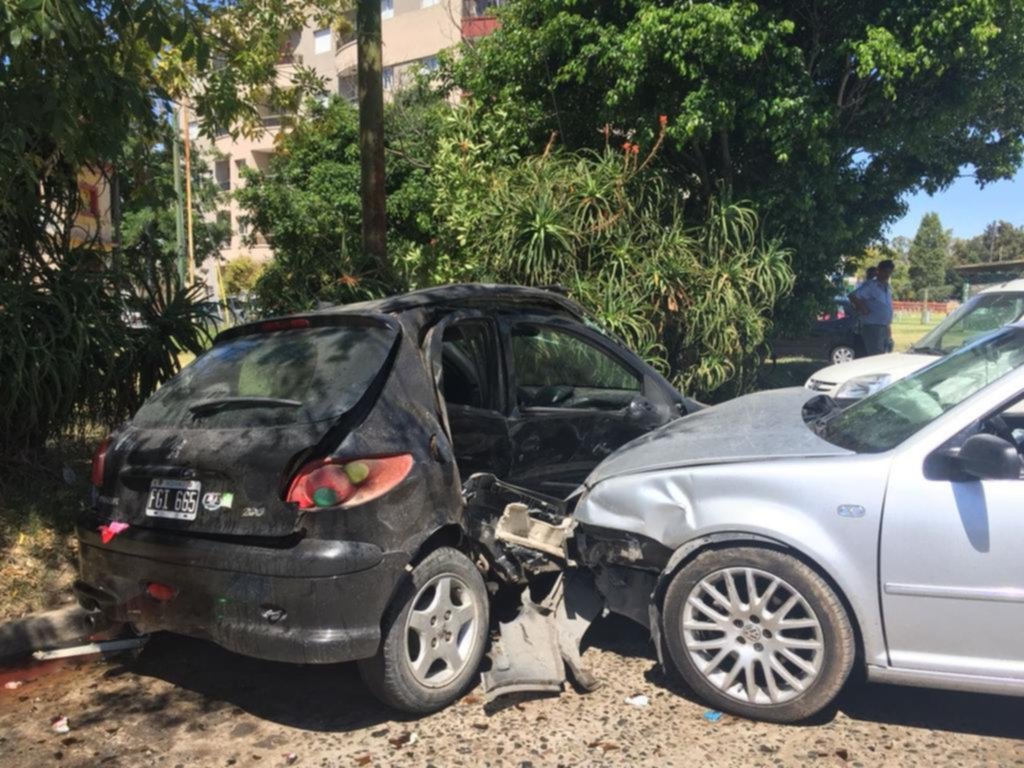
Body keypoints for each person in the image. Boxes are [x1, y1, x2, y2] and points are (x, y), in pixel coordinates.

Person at [850, 259, 894, 356]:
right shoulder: (871, 286)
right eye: (885, 271)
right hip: (872, 326)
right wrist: (863, 308)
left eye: (889, 272)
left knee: (884, 354)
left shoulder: (887, 288)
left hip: (884, 326)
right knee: (875, 355)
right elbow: (854, 296)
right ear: (879, 271)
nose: (887, 274)